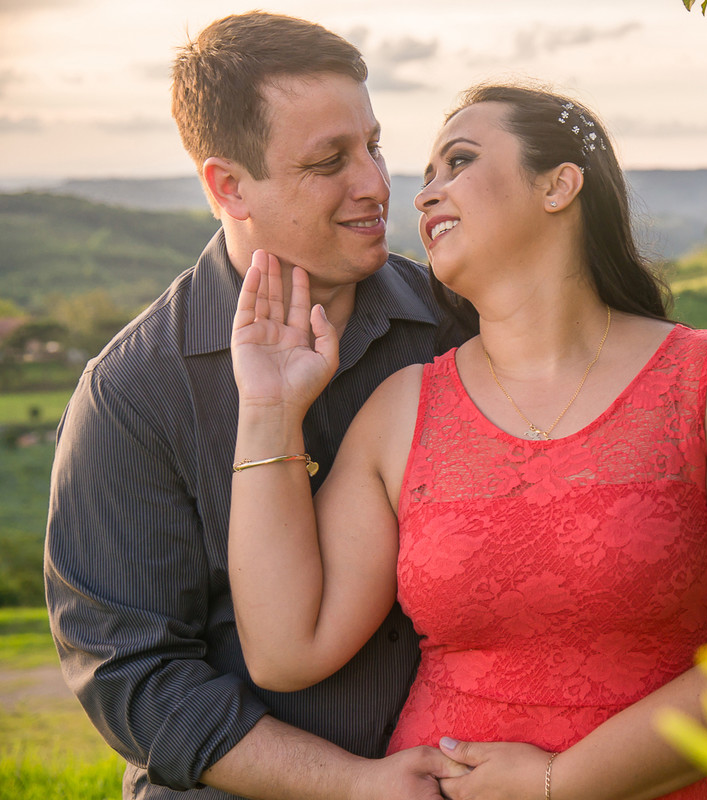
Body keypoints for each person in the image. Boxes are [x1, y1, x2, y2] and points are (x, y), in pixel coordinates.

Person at [228, 84, 707, 800]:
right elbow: (285, 650)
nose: (423, 198)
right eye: (425, 178)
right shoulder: (401, 412)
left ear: (558, 185)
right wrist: (268, 407)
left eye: (458, 162)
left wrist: (560, 782)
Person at [43, 12, 467, 800]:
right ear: (228, 186)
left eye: (373, 145)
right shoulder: (132, 395)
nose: (376, 184)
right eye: (327, 162)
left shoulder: (460, 325)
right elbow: (134, 678)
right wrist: (354, 786)